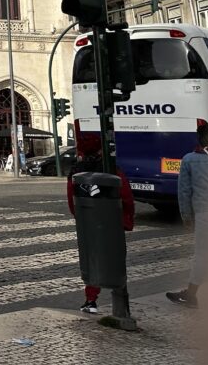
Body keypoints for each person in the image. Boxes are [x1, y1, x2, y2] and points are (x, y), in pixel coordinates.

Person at [67, 133, 134, 314]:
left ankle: (90, 299)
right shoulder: (112, 169)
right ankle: (119, 295)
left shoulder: (75, 172)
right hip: (112, 222)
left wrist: (82, 217)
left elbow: (72, 200)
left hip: (88, 222)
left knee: (92, 256)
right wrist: (126, 218)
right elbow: (126, 196)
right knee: (116, 256)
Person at [166, 125, 208, 309]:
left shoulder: (189, 160)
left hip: (206, 215)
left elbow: (184, 192)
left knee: (203, 255)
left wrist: (186, 216)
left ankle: (191, 295)